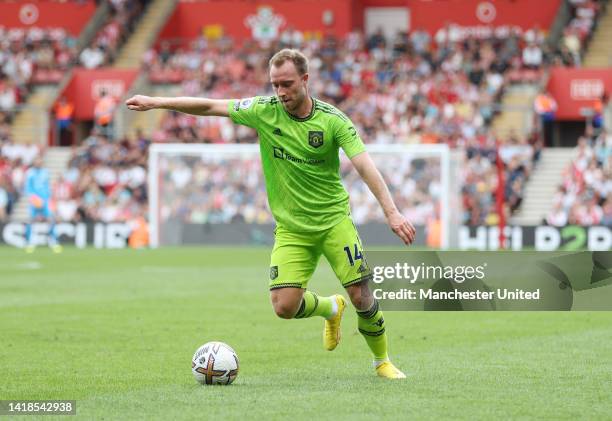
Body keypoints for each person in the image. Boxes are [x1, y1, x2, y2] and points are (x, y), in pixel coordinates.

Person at [126, 49, 416, 379]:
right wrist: (156, 102)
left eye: (287, 84)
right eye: (275, 84)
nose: (280, 92)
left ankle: (382, 362)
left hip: (334, 222)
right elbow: (210, 106)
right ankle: (330, 308)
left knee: (362, 295)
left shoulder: (333, 120)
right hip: (292, 230)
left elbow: (364, 165)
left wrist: (392, 213)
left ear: (305, 80)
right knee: (284, 307)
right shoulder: (264, 111)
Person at [24, 157, 62, 253]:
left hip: (45, 200)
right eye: (37, 161)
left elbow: (47, 186)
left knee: (50, 219)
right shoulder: (30, 172)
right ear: (34, 162)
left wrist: (49, 197)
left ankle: (53, 241)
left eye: (40, 161)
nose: (38, 163)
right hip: (34, 200)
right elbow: (28, 188)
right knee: (31, 220)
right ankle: (30, 242)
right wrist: (34, 199)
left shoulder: (45, 172)